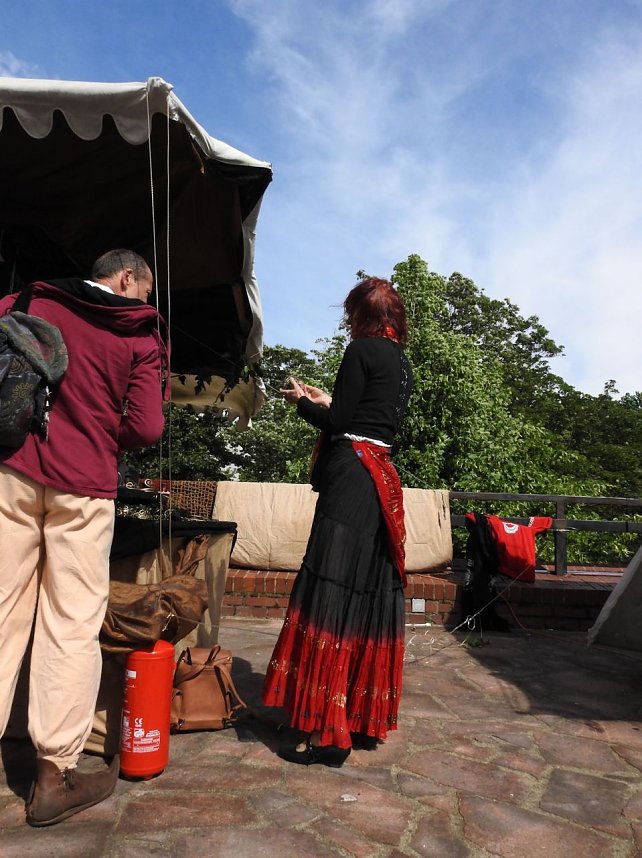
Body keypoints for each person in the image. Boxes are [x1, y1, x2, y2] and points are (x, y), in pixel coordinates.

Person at [0, 249, 169, 825]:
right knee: (70, 622)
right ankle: (54, 778)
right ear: (128, 279)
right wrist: (102, 427)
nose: (146, 302)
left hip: (11, 470)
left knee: (0, 611)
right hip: (84, 487)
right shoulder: (138, 333)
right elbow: (146, 426)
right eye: (145, 291)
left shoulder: (26, 301)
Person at [262, 277, 413, 767]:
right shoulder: (402, 363)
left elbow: (339, 424)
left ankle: (320, 732)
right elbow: (362, 417)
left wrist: (304, 403)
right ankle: (357, 719)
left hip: (350, 479)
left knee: (330, 595)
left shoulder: (360, 350)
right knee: (363, 594)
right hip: (381, 481)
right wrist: (331, 402)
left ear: (360, 315)